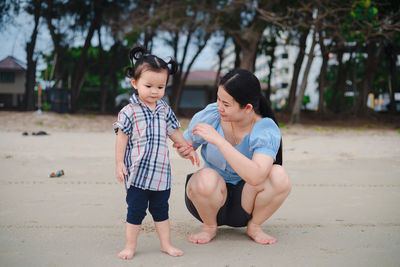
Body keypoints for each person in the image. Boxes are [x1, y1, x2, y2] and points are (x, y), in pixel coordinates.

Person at [174, 69, 291, 245]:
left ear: (248, 108)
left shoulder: (265, 128)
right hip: (208, 199)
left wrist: (219, 141)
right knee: (205, 177)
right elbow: (187, 143)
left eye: (226, 104)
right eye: (218, 99)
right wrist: (184, 150)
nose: (219, 106)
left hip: (247, 201)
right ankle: (209, 227)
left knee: (279, 175)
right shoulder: (212, 115)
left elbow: (257, 176)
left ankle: (255, 226)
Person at [114, 45, 199, 259]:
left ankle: (166, 244)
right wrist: (119, 163)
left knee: (162, 211)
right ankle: (130, 246)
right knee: (135, 212)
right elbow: (121, 139)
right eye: (149, 85)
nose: (155, 91)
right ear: (134, 83)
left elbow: (175, 132)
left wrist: (187, 148)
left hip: (161, 174)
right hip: (137, 175)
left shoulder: (164, 109)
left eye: (160, 87)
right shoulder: (129, 111)